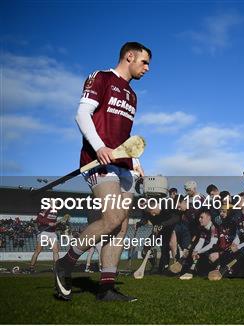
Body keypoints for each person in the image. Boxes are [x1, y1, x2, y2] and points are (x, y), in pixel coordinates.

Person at [54, 41, 151, 302]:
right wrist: (99, 147)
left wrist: (135, 161)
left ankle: (106, 287)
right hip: (99, 161)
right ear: (129, 56)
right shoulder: (102, 77)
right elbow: (82, 114)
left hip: (124, 165)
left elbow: (125, 136)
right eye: (144, 62)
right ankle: (65, 262)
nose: (147, 68)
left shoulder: (133, 95)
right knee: (112, 217)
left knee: (121, 226)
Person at [29, 209, 60, 273]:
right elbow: (38, 219)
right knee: (38, 251)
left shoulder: (56, 212)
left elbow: (53, 222)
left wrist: (56, 224)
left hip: (53, 233)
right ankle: (31, 267)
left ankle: (56, 268)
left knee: (56, 251)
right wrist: (48, 223)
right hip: (44, 232)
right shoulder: (45, 210)